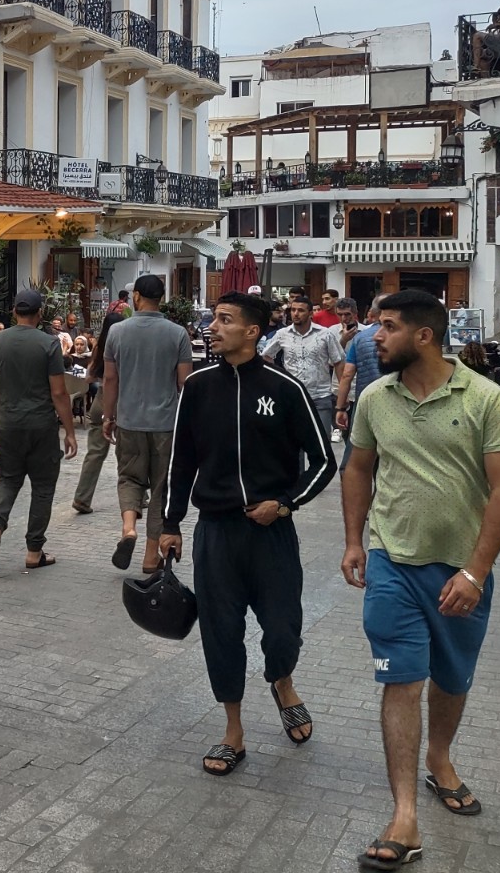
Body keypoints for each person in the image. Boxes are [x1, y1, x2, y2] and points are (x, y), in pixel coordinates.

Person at [340, 289, 500, 871]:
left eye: (387, 326)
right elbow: (358, 468)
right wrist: (354, 540)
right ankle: (404, 816)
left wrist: (476, 570)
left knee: (451, 676)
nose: (375, 336)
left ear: (424, 336)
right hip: (392, 561)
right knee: (402, 681)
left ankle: (439, 757)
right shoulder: (375, 397)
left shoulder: (486, 397)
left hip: (461, 570)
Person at [158, 291, 337, 776]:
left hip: (271, 534)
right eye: (214, 319)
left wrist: (285, 503)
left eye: (224, 320)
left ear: (253, 331)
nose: (213, 328)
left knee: (283, 627)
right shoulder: (198, 386)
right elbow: (181, 462)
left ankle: (282, 681)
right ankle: (232, 730)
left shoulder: (285, 387)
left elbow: (324, 461)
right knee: (221, 632)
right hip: (216, 533)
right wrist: (170, 523)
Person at [0, 288, 78, 572]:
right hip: (41, 426)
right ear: (40, 313)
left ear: (14, 312)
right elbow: (58, 393)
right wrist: (69, 431)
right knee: (43, 487)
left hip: (8, 424)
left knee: (8, 480)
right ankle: (34, 551)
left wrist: (1, 417)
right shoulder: (49, 344)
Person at [101, 274, 192, 574]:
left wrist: (108, 416)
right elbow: (184, 383)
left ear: (137, 296)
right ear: (161, 298)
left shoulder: (117, 331)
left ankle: (129, 528)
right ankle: (151, 556)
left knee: (129, 478)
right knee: (161, 488)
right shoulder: (178, 334)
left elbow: (110, 379)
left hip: (129, 421)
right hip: (165, 423)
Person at [262, 297, 347, 444]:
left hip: (320, 396)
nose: (296, 313)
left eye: (301, 310)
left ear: (310, 313)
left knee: (322, 443)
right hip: (293, 396)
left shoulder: (325, 334)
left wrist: (341, 393)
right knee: (294, 444)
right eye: (293, 310)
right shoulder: (283, 334)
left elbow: (339, 362)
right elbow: (266, 356)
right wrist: (278, 378)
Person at [70, 310, 122, 515]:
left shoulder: (100, 347)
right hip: (121, 399)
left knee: (94, 453)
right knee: (127, 452)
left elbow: (89, 377)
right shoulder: (124, 344)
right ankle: (138, 496)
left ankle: (82, 498)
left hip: (100, 399)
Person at [336, 297, 386, 472]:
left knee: (355, 453)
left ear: (373, 313)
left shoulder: (360, 338)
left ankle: (349, 482)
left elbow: (347, 374)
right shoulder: (404, 337)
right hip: (396, 402)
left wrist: (340, 408)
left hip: (364, 401)